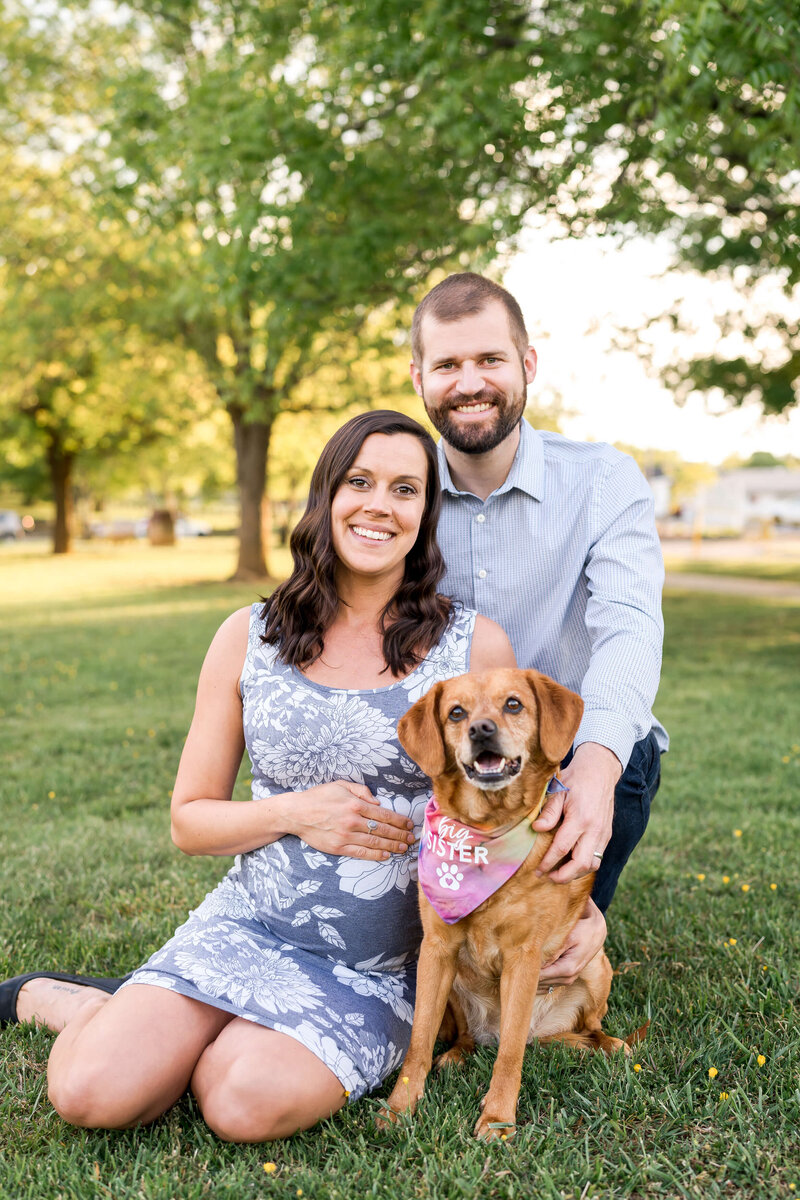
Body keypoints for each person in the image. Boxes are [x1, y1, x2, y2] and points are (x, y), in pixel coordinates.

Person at [2, 410, 515, 1140]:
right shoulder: (251, 636)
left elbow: (517, 809)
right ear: (325, 495)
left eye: (405, 489)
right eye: (359, 481)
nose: (379, 504)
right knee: (90, 1092)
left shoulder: (471, 646)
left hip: (385, 967)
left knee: (241, 1103)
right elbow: (190, 821)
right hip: (250, 925)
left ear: (426, 514)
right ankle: (80, 1004)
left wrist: (572, 906)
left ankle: (212, 1036)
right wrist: (295, 813)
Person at [409, 273, 666, 986]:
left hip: (570, 754)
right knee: (418, 961)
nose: (470, 383)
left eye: (490, 359)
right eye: (447, 364)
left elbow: (630, 629)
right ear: (419, 378)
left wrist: (596, 769)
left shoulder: (603, 480)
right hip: (443, 752)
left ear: (526, 364)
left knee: (533, 953)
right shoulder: (397, 489)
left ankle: (577, 905)